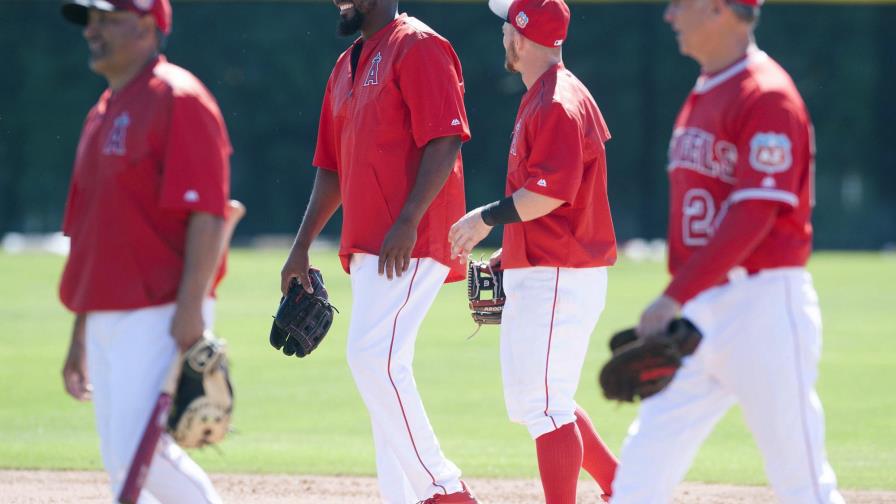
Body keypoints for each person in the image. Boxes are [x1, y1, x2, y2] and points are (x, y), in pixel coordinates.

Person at [610, 0, 845, 502]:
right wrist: (684, 297)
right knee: (640, 471)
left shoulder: (766, 95)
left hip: (763, 308)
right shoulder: (704, 91)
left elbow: (754, 215)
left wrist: (674, 295)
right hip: (700, 310)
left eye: (680, 4)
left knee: (801, 481)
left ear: (719, 9)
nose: (670, 15)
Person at [279, 1, 477, 502]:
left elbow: (446, 139)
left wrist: (408, 219)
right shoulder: (346, 64)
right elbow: (330, 166)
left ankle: (445, 490)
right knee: (383, 377)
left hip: (411, 241)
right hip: (367, 245)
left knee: (373, 359)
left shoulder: (419, 46)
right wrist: (301, 247)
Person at [58, 1, 238, 502]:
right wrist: (80, 332)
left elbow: (208, 214)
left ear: (145, 26)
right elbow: (91, 232)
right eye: (90, 21)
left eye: (105, 19)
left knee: (141, 451)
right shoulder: (102, 111)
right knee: (121, 457)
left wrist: (190, 311)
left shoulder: (178, 98)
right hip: (107, 308)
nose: (92, 31)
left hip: (161, 307)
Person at [448, 0, 618, 502]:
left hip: (560, 271)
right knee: (541, 402)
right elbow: (552, 200)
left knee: (546, 406)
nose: (503, 36)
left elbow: (549, 194)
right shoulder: (545, 95)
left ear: (521, 37)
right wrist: (512, 251)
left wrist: (484, 219)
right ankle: (625, 486)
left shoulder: (557, 102)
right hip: (549, 264)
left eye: (507, 28)